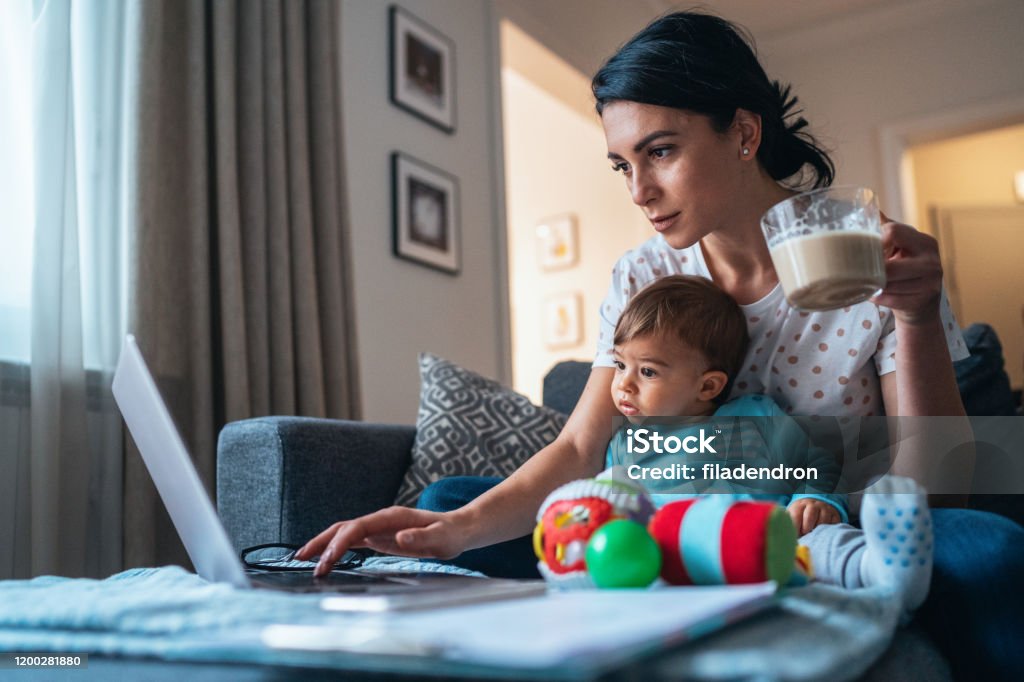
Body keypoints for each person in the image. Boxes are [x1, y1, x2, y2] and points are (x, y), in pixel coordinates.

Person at [298, 11, 1024, 678]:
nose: (638, 190)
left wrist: (919, 317)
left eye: (661, 152)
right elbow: (582, 451)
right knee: (453, 499)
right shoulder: (644, 272)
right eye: (622, 164)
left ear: (743, 134)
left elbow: (936, 491)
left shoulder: (868, 251)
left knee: (988, 547)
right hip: (675, 519)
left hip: (828, 532)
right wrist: (450, 529)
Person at [603, 274, 931, 619]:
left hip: (776, 545)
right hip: (684, 559)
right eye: (620, 365)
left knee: (823, 544)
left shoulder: (753, 418)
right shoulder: (626, 446)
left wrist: (815, 499)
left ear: (708, 386)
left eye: (648, 373)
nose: (624, 384)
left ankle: (884, 572)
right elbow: (616, 507)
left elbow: (817, 466)